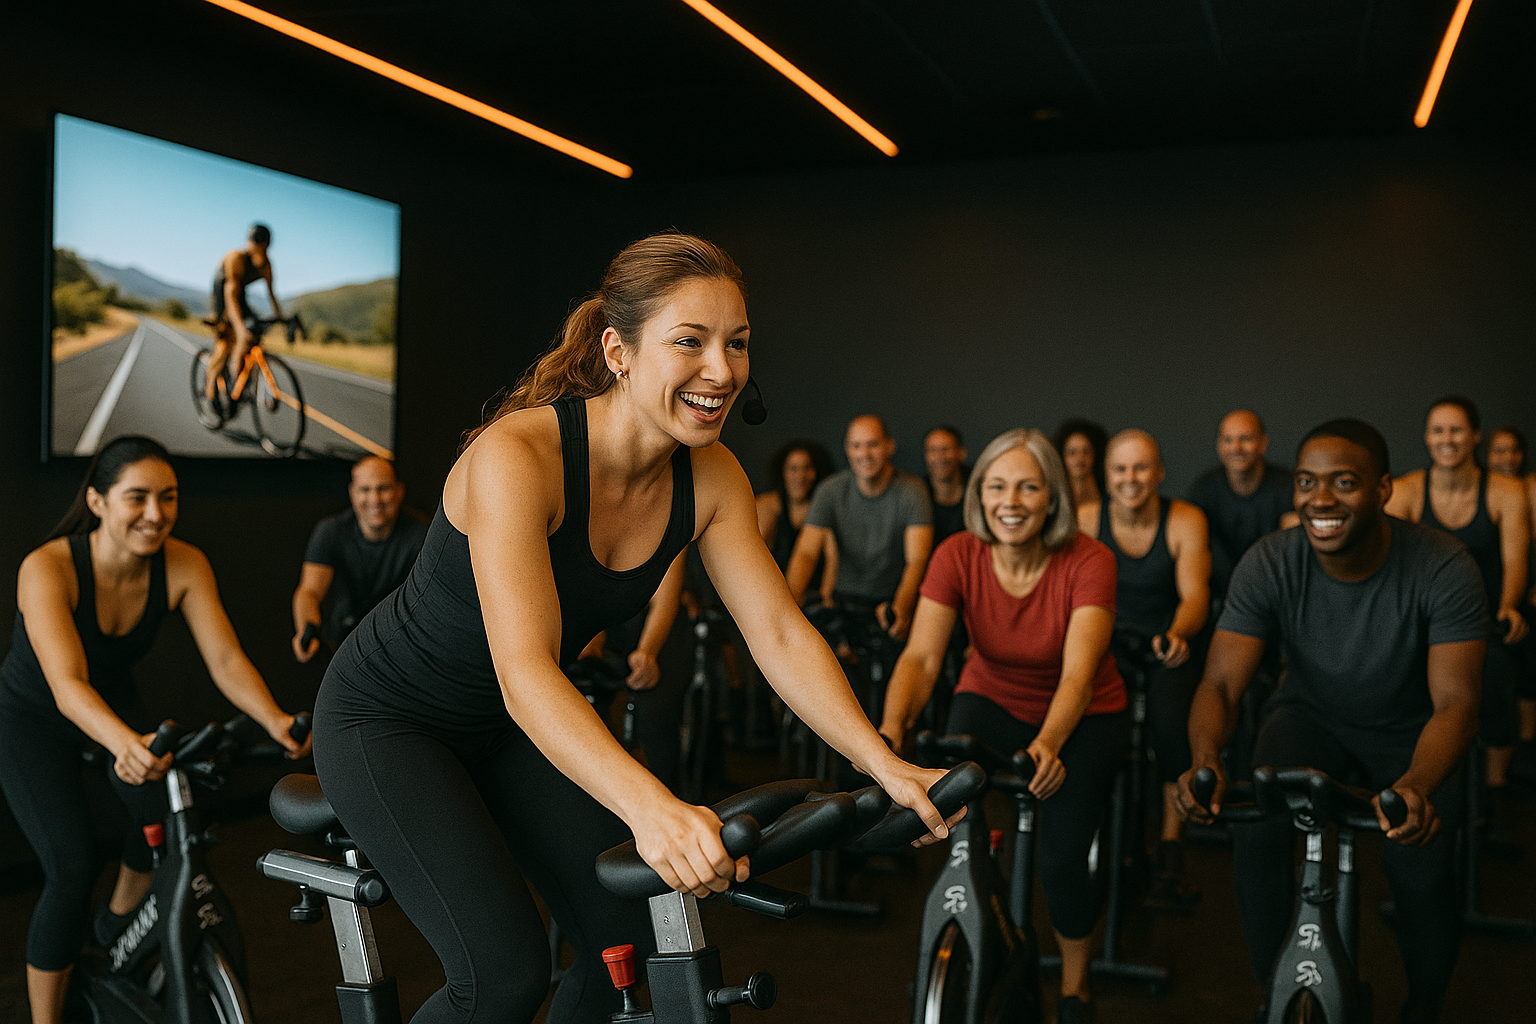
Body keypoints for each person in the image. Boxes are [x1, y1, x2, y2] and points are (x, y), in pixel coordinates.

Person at [309, 234, 957, 1024]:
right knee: (504, 975)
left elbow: (780, 634)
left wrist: (883, 763)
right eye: (690, 341)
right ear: (618, 350)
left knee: (628, 937)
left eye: (738, 343)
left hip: (510, 727)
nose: (721, 370)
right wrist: (654, 810)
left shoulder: (712, 477)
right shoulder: (518, 457)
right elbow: (526, 671)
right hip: (390, 720)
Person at [1178, 419, 1484, 1024]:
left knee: (1418, 874)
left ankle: (1423, 1007)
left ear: (1383, 489)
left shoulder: (1443, 565)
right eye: (1307, 483)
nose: (1321, 500)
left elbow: (1457, 703)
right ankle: (1279, 991)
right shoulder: (1270, 561)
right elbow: (1219, 682)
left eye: (1344, 482)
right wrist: (1206, 760)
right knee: (1258, 829)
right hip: (1310, 716)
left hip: (1411, 731)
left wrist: (1418, 785)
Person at [0, 436, 310, 1024]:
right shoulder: (48, 567)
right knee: (69, 866)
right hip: (34, 717)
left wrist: (272, 718)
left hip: (111, 702)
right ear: (97, 501)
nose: (155, 514)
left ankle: (115, 928)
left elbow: (224, 660)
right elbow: (66, 685)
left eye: (168, 498)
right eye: (136, 498)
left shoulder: (184, 563)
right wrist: (124, 744)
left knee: (163, 821)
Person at [879, 428, 1129, 1024]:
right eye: (996, 486)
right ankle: (978, 930)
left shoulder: (1089, 561)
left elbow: (1078, 675)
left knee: (1060, 860)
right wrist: (890, 736)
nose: (1009, 500)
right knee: (954, 822)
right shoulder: (957, 553)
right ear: (979, 494)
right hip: (988, 699)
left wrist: (1048, 743)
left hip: (1084, 716)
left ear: (1052, 499)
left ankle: (1074, 987)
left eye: (1027, 487)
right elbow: (920, 659)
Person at [1384, 397, 1528, 842]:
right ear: (1427, 438)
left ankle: (1497, 788)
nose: (1447, 440)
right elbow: (1390, 565)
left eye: (1457, 430)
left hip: (1484, 621)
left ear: (1475, 436)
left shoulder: (1505, 491)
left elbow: (1516, 561)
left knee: (1497, 677)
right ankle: (1419, 786)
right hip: (1424, 623)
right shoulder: (1407, 490)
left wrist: (1508, 604)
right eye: (1438, 431)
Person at [1077, 428, 1210, 909]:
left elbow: (1195, 595)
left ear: (1159, 474)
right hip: (1103, 645)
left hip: (1164, 644)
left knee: (1172, 726)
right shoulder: (1087, 518)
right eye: (1119, 469)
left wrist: (1178, 633)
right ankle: (1086, 826)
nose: (1130, 478)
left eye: (1140, 468)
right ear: (1105, 476)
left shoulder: (1185, 519)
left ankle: (1171, 845)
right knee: (1081, 718)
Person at [785, 415, 934, 642]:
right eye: (856, 446)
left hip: (890, 601)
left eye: (872, 445)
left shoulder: (912, 491)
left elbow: (917, 560)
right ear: (847, 449)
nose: (864, 454)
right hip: (843, 602)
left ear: (889, 446)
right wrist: (787, 612)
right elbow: (806, 553)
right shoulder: (830, 490)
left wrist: (900, 608)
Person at [292, 455, 428, 661]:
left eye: (383, 488)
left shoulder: (422, 535)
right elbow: (309, 591)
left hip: (401, 647)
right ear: (352, 493)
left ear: (399, 491)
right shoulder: (331, 532)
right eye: (365, 489)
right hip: (342, 644)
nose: (375, 499)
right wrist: (306, 630)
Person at [1186, 410, 1292, 606]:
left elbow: (1294, 556)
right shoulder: (1203, 491)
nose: (1236, 447)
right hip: (1220, 599)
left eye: (1245, 438)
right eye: (1228, 440)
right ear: (1219, 445)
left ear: (1263, 443)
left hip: (1277, 595)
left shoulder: (1289, 487)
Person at [1486, 424, 1536, 778]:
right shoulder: (1485, 491)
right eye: (1499, 451)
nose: (1507, 458)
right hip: (1490, 594)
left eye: (1513, 450)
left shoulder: (1530, 488)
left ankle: (1525, 748)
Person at [203, 223, 282, 402]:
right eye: (255, 246)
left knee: (253, 333)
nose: (258, 252)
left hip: (240, 295)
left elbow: (272, 294)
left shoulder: (266, 265)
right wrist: (239, 328)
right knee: (228, 339)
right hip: (223, 293)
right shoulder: (235, 258)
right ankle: (211, 382)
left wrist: (281, 320)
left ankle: (240, 376)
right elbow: (230, 294)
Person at [754, 438, 836, 593]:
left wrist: (826, 603)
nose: (800, 476)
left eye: (807, 468)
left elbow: (833, 561)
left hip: (814, 599)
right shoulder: (767, 506)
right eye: (793, 469)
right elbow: (753, 558)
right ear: (783, 472)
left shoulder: (826, 510)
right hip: (770, 595)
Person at [922, 425, 970, 545]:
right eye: (932, 450)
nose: (939, 456)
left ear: (961, 453)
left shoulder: (978, 487)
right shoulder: (917, 490)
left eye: (945, 449)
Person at [1053, 419, 1108, 512]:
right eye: (1072, 452)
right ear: (1061, 456)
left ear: (1096, 455)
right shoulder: (1053, 495)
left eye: (1086, 452)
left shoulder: (1108, 491)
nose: (1079, 459)